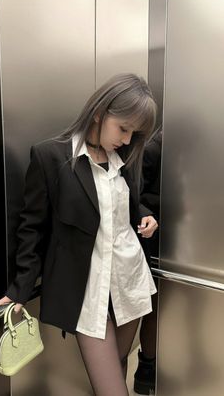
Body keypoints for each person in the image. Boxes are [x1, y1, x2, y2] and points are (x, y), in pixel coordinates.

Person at [0, 73, 158, 396]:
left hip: (129, 282)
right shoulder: (50, 157)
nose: (127, 140)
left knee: (118, 365)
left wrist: (143, 214)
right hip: (88, 293)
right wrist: (21, 287)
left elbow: (120, 204)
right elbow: (32, 226)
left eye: (134, 133)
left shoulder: (123, 158)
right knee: (112, 388)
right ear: (99, 111)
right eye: (123, 128)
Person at [134, 128, 162, 395]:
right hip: (153, 235)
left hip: (185, 235)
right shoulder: (154, 147)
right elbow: (136, 197)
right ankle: (147, 366)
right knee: (153, 307)